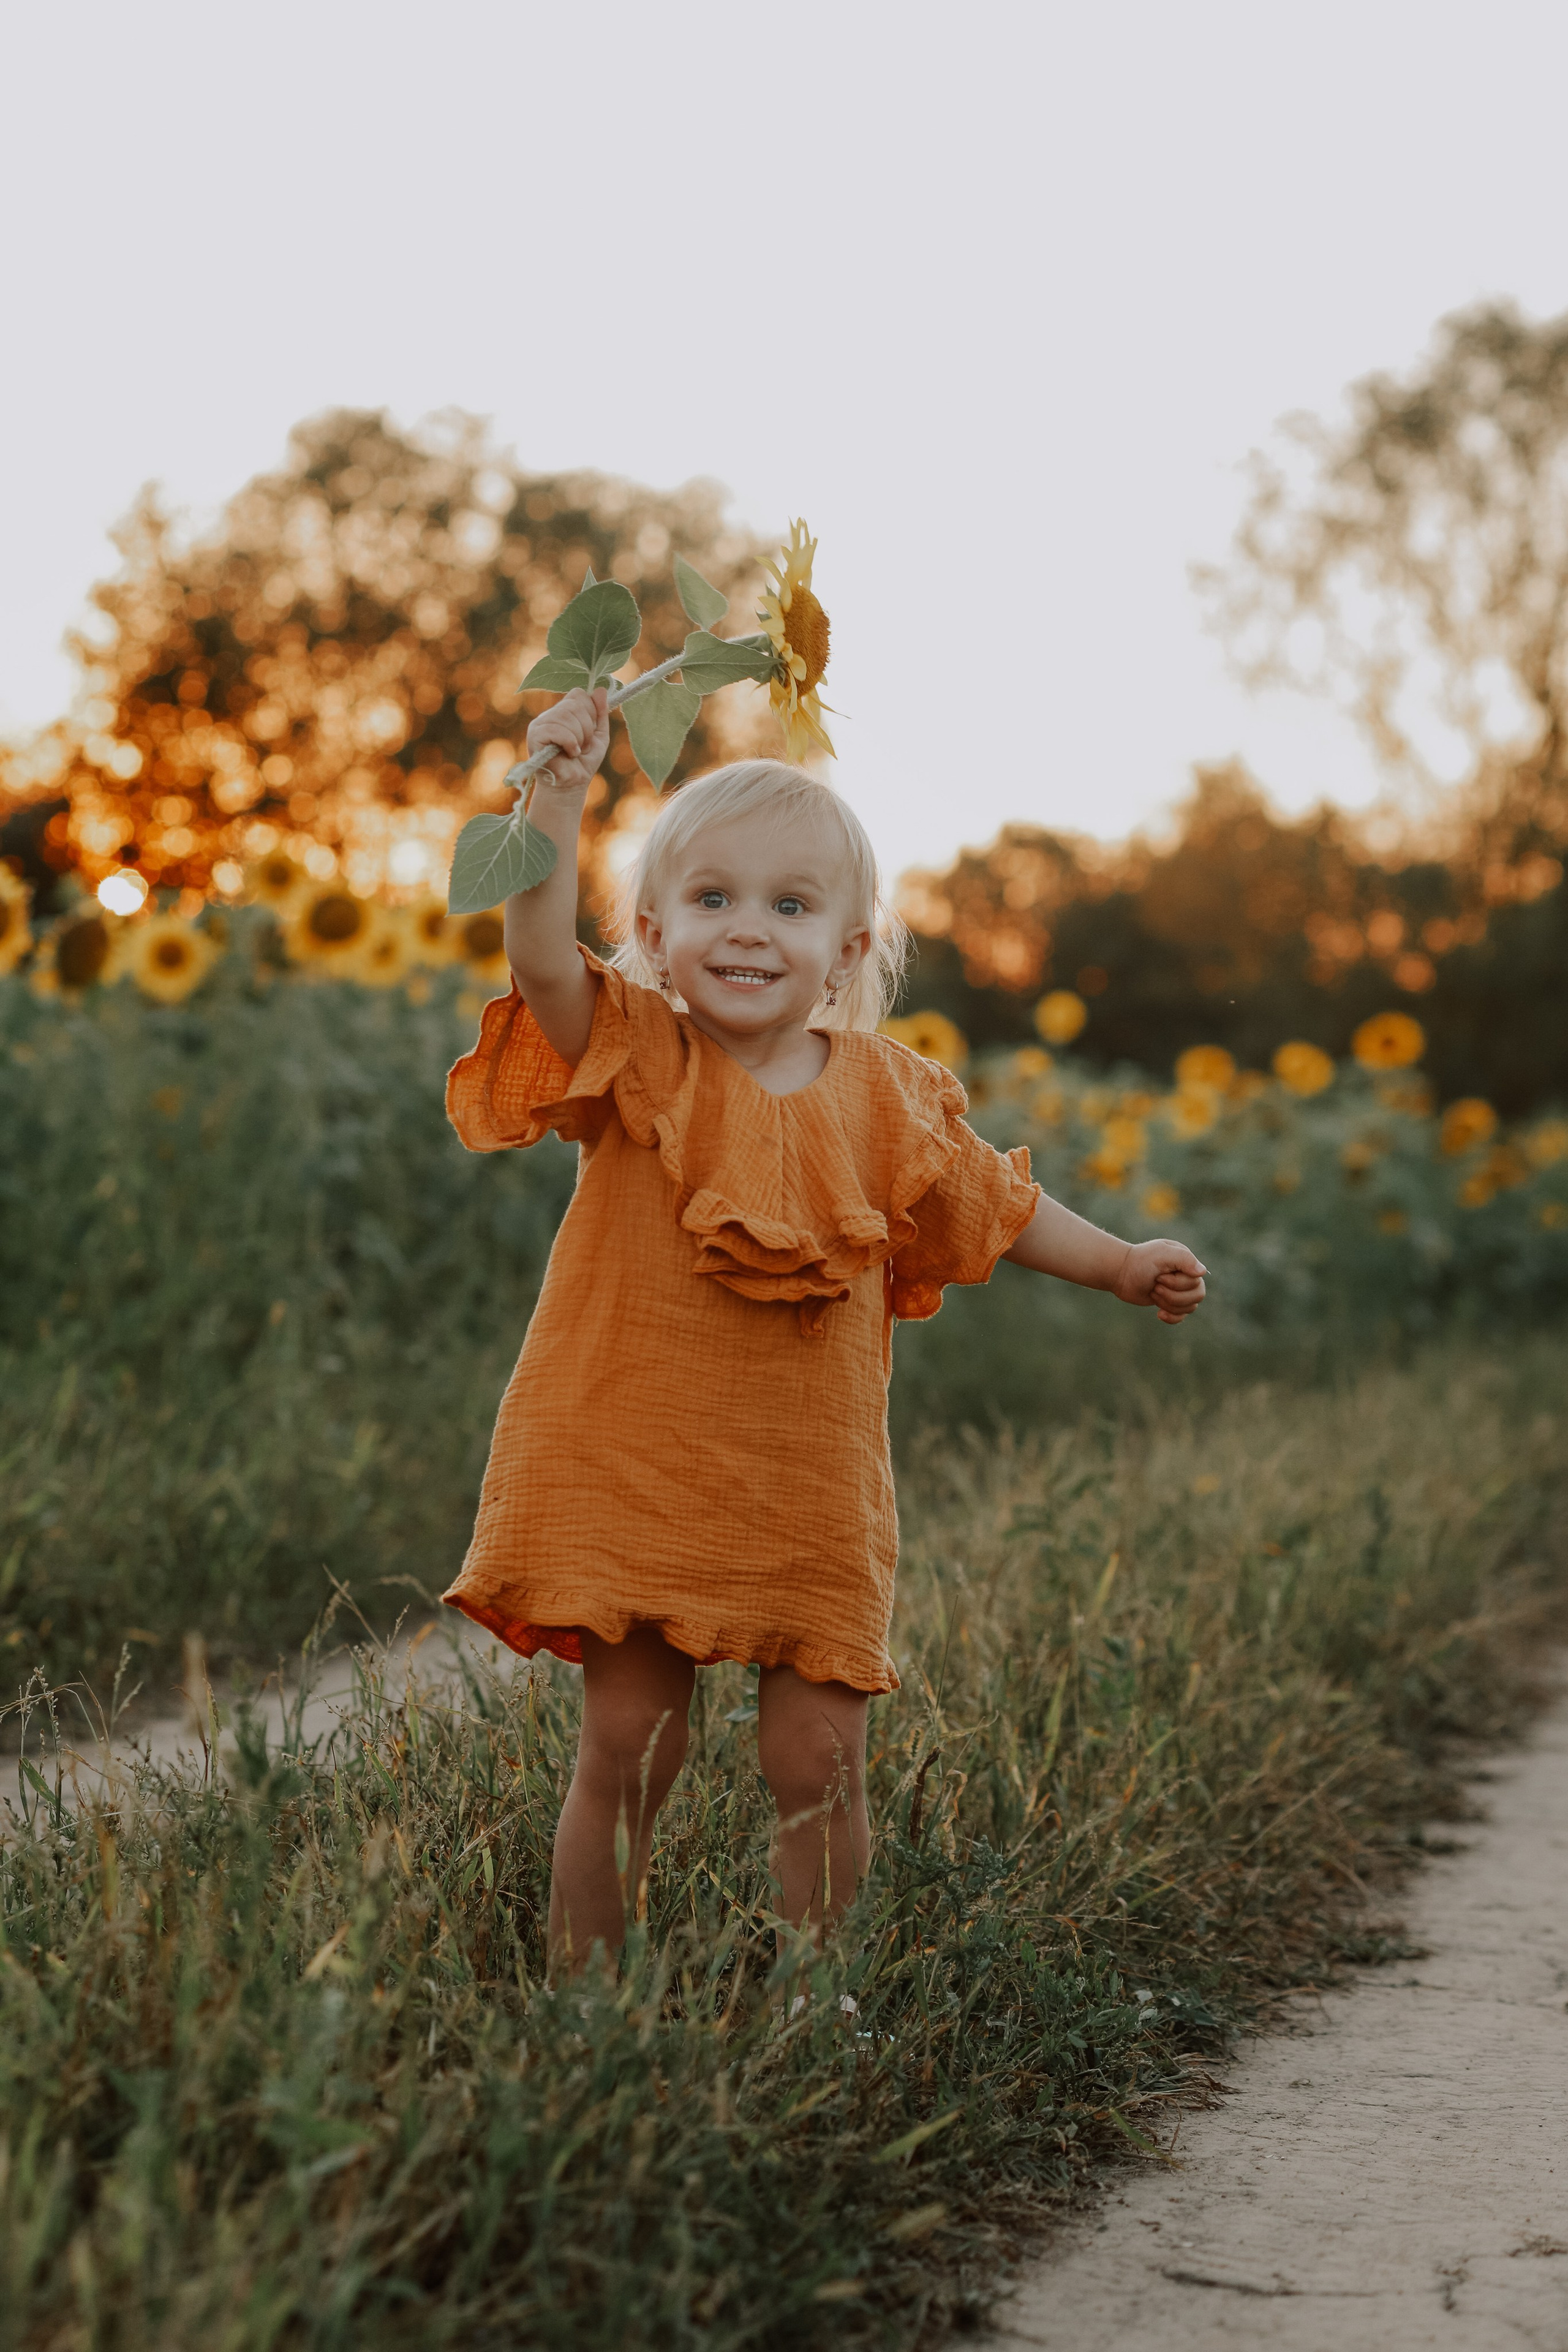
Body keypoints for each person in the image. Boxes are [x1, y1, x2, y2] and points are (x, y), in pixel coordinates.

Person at [443, 685, 1207, 1974]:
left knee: (820, 1758)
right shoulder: (637, 1052)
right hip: (630, 1459)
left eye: (790, 907)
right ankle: (587, 1999)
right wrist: (558, 795)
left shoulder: (890, 1098)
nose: (749, 929)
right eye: (713, 899)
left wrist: (1122, 1264)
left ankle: (819, 2003)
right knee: (630, 1747)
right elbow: (539, 962)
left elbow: (1001, 1207)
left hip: (804, 1484)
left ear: (848, 951)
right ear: (653, 933)